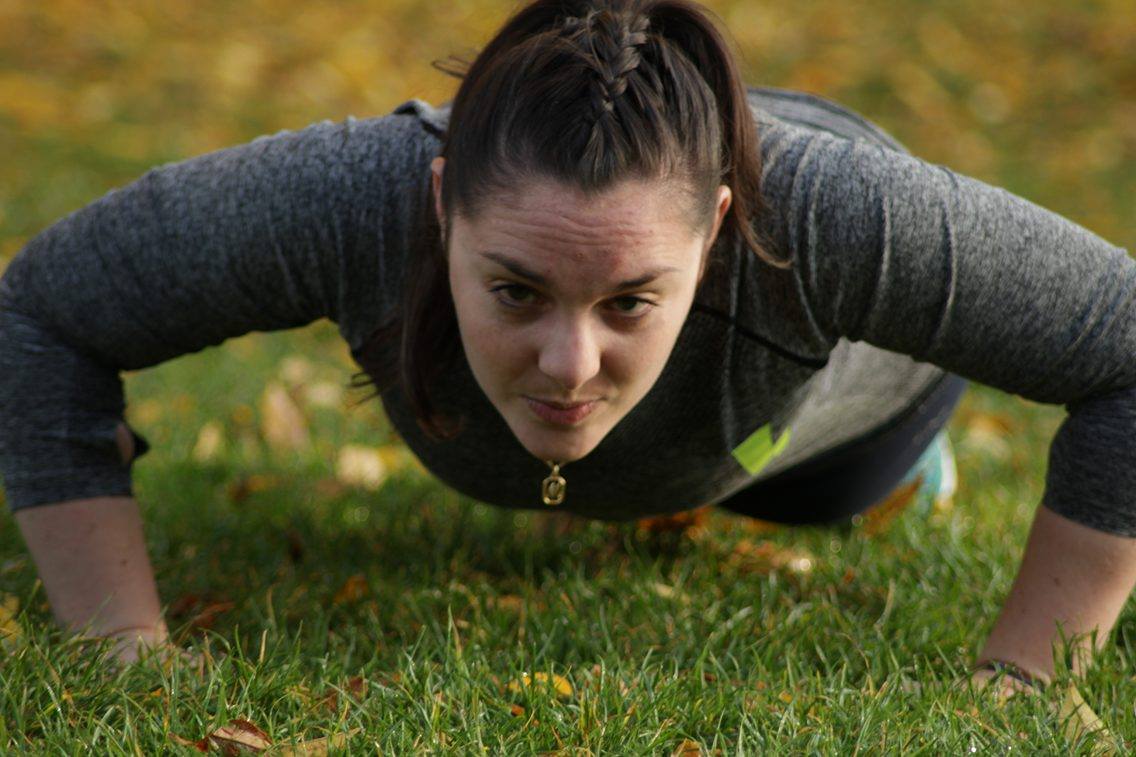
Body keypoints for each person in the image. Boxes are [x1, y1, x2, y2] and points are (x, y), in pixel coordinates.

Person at [1, 0, 1133, 701]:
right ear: (442, 206)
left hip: (825, 450)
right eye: (515, 289)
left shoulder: (837, 215)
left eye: (629, 301)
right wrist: (121, 646)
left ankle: (875, 472)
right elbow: (38, 312)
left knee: (825, 490)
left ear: (720, 232)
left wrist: (1027, 677)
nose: (566, 362)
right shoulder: (353, 199)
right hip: (549, 424)